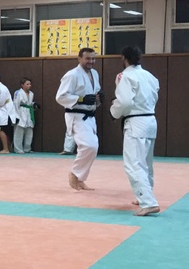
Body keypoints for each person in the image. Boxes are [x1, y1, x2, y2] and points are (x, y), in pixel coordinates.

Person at [109, 46, 160, 216]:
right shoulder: (150, 76)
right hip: (150, 119)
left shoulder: (125, 76)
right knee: (146, 163)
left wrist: (113, 112)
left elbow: (124, 102)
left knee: (134, 164)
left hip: (135, 121)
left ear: (123, 58)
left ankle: (148, 202)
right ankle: (145, 195)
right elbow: (154, 96)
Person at [55, 47, 103, 190]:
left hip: (90, 116)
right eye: (87, 58)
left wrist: (99, 98)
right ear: (79, 58)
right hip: (76, 115)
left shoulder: (94, 73)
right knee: (89, 146)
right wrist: (81, 99)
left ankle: (80, 179)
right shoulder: (72, 75)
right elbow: (60, 97)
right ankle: (74, 174)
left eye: (93, 58)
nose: (91, 61)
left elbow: (94, 95)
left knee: (93, 147)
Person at [13, 78, 39, 154]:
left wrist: (34, 104)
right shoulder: (18, 93)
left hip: (29, 113)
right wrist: (16, 116)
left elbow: (29, 103)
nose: (29, 85)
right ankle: (18, 149)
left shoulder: (31, 93)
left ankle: (27, 148)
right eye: (27, 84)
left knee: (29, 132)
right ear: (22, 85)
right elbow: (15, 104)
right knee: (19, 132)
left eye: (30, 84)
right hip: (20, 112)